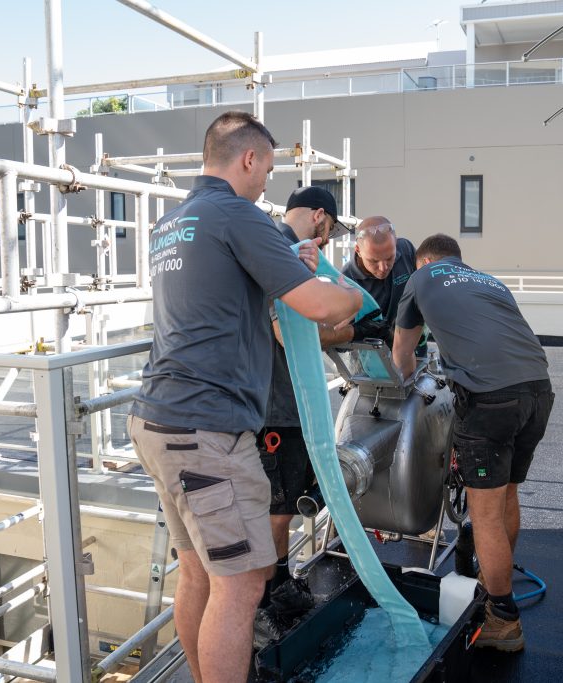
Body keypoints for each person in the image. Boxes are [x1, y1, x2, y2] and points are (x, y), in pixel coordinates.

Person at [128, 111, 362, 683]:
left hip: (158, 418)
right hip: (208, 429)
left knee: (198, 575)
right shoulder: (238, 213)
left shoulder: (173, 221)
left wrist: (288, 265)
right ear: (249, 159)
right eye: (268, 170)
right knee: (243, 583)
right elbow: (323, 308)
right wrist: (353, 297)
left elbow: (222, 298)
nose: (267, 186)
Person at [391, 233, 554, 653]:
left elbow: (402, 352)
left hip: (490, 400)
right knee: (506, 496)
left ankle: (503, 619)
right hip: (538, 390)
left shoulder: (421, 277)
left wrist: (406, 386)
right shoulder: (490, 281)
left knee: (483, 516)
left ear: (425, 259)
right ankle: (492, 584)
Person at [253, 185, 353, 644]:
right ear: (318, 216)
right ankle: (266, 601)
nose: (328, 241)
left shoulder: (277, 246)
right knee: (275, 510)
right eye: (330, 229)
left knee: (283, 506)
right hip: (275, 408)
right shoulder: (281, 249)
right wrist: (340, 325)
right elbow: (282, 330)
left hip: (281, 404)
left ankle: (278, 585)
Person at [334, 217, 421, 352]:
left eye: (389, 258)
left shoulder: (406, 250)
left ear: (395, 245)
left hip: (414, 347)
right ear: (358, 250)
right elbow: (339, 346)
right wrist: (360, 331)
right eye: (374, 261)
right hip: (372, 362)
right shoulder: (345, 280)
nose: (383, 268)